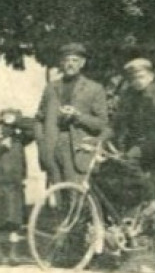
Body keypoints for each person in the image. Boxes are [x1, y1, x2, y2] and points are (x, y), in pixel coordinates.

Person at [35, 43, 109, 186]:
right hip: (52, 146)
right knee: (56, 195)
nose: (70, 64)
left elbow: (102, 123)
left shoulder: (94, 88)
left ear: (82, 63)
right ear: (61, 63)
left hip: (77, 149)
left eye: (75, 60)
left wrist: (78, 116)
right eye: (66, 60)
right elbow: (39, 119)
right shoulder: (51, 88)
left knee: (76, 194)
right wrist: (41, 141)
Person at [111, 57, 155, 193]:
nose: (138, 81)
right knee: (128, 162)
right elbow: (121, 122)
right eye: (134, 79)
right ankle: (151, 195)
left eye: (142, 77)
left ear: (151, 76)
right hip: (141, 143)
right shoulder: (128, 95)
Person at [0, 108, 35, 264]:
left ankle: (13, 253)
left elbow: (33, 128)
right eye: (3, 125)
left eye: (10, 126)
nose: (6, 129)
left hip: (15, 187)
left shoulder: (20, 141)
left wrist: (17, 120)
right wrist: (1, 147)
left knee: (14, 222)